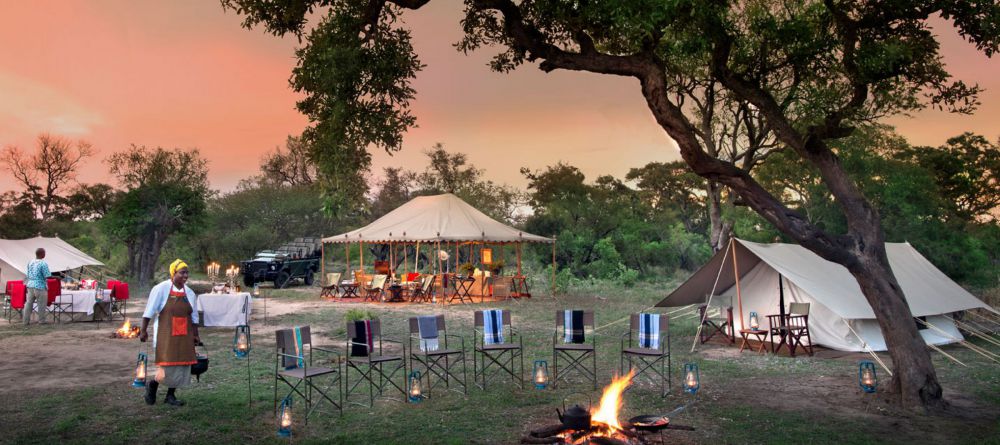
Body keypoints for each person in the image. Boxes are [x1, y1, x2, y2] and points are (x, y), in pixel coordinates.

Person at [139, 259, 200, 406]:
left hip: (184, 334)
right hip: (166, 335)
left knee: (181, 366)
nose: (185, 276)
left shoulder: (190, 293)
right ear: (173, 273)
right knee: (167, 366)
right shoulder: (161, 289)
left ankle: (170, 396)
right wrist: (143, 330)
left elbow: (194, 316)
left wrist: (196, 334)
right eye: (182, 273)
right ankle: (153, 384)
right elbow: (149, 311)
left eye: (187, 273)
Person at [23, 248, 51, 325]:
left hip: (30, 284)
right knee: (41, 304)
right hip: (40, 286)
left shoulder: (30, 262)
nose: (45, 254)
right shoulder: (43, 263)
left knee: (28, 303)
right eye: (44, 253)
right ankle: (41, 321)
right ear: (42, 254)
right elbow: (47, 276)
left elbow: (28, 274)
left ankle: (25, 321)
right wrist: (57, 277)